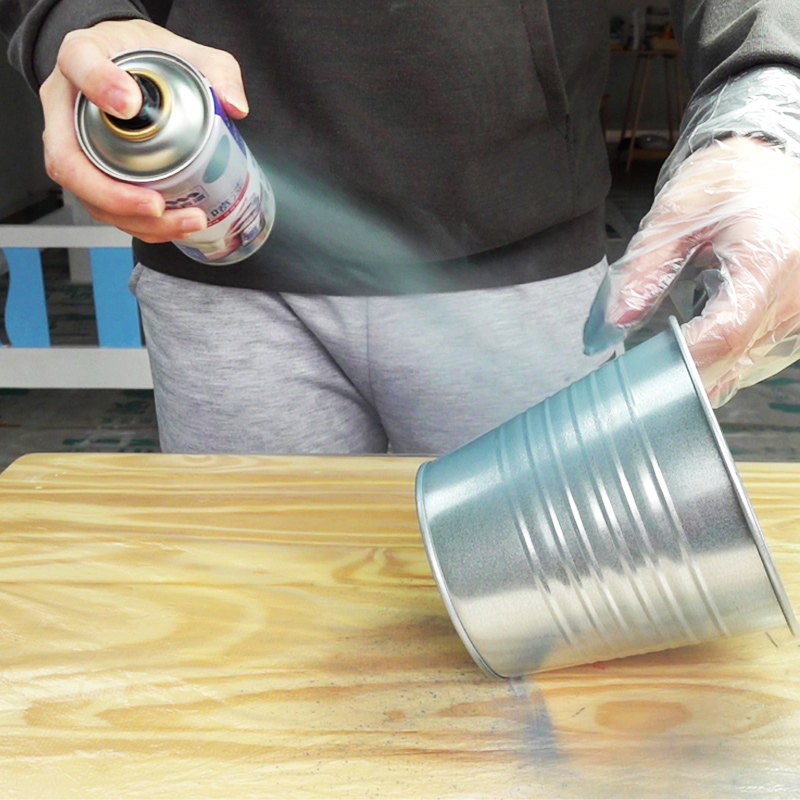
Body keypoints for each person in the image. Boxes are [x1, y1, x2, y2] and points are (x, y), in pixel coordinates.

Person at [2, 2, 800, 454]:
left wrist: (769, 89)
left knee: (552, 622)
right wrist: (76, 19)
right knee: (259, 631)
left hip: (521, 259)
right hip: (220, 259)